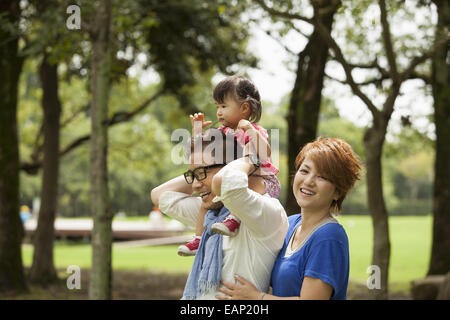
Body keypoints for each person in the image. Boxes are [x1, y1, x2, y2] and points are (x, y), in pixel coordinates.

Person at [217, 137, 363, 300]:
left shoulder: (329, 236)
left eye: (322, 177)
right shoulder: (291, 223)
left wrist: (257, 298)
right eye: (304, 171)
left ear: (337, 192)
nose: (308, 181)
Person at [150, 129, 288, 299]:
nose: (194, 186)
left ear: (233, 167)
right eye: (192, 175)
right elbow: (159, 195)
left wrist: (252, 158)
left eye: (202, 173)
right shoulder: (213, 215)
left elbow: (228, 184)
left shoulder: (265, 213)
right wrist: (199, 168)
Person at [178, 75, 281, 256]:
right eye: (217, 106)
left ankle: (234, 220)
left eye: (224, 106)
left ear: (244, 108)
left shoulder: (254, 131)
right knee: (205, 202)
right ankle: (199, 238)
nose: (218, 112)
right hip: (230, 181)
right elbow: (199, 151)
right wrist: (197, 132)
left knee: (246, 185)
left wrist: (249, 129)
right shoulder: (222, 132)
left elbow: (266, 153)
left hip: (262, 182)